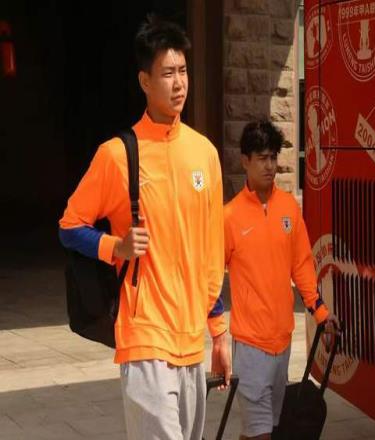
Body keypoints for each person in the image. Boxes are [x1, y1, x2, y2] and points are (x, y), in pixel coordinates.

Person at [59, 14, 230, 440]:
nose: (179, 83)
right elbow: (69, 225)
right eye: (167, 73)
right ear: (144, 81)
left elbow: (211, 251)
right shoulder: (117, 155)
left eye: (183, 71)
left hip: (191, 340)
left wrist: (219, 333)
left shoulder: (205, 154)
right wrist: (114, 247)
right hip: (143, 334)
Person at [224, 120, 338, 440]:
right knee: (261, 433)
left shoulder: (289, 207)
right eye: (262, 158)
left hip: (282, 342)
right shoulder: (229, 217)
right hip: (250, 346)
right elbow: (208, 275)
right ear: (245, 161)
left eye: (273, 157)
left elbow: (301, 266)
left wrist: (320, 312)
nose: (270, 166)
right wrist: (214, 328)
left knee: (263, 431)